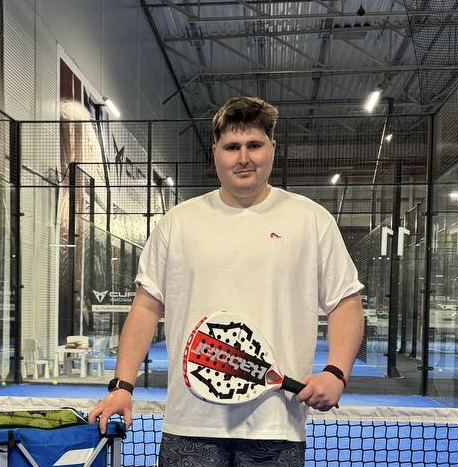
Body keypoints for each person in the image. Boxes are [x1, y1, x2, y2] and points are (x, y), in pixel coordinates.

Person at [88, 96, 365, 466]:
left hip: (276, 426)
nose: (244, 158)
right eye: (232, 147)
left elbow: (346, 301)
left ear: (272, 148)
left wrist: (336, 373)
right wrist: (122, 386)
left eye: (254, 145)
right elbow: (146, 306)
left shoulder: (312, 221)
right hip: (190, 423)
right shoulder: (177, 223)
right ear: (215, 152)